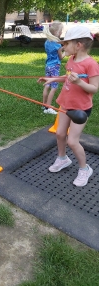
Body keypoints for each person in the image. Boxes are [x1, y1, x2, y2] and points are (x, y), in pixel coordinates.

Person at [38, 25, 99, 187]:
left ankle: (84, 168)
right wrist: (52, 79)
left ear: (78, 45)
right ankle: (62, 158)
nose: (63, 47)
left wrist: (79, 82)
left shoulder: (91, 64)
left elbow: (94, 88)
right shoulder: (71, 60)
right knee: (59, 133)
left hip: (81, 108)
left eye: (66, 44)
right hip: (66, 103)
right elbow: (67, 77)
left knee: (72, 141)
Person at [42, 21, 64, 115]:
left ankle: (43, 105)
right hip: (55, 66)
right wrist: (65, 52)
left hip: (48, 66)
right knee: (54, 87)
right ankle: (49, 107)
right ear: (57, 33)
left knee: (47, 85)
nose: (62, 32)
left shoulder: (47, 42)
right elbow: (60, 57)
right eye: (61, 31)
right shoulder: (58, 45)